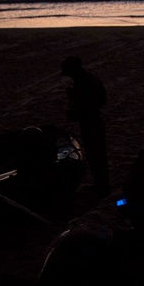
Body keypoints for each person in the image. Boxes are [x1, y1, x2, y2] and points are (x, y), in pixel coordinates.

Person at [61, 56, 110, 196]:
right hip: (94, 120)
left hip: (90, 121)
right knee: (97, 154)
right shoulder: (90, 78)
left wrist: (74, 96)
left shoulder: (84, 82)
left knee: (95, 154)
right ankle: (101, 184)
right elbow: (102, 98)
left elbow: (85, 103)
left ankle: (102, 187)